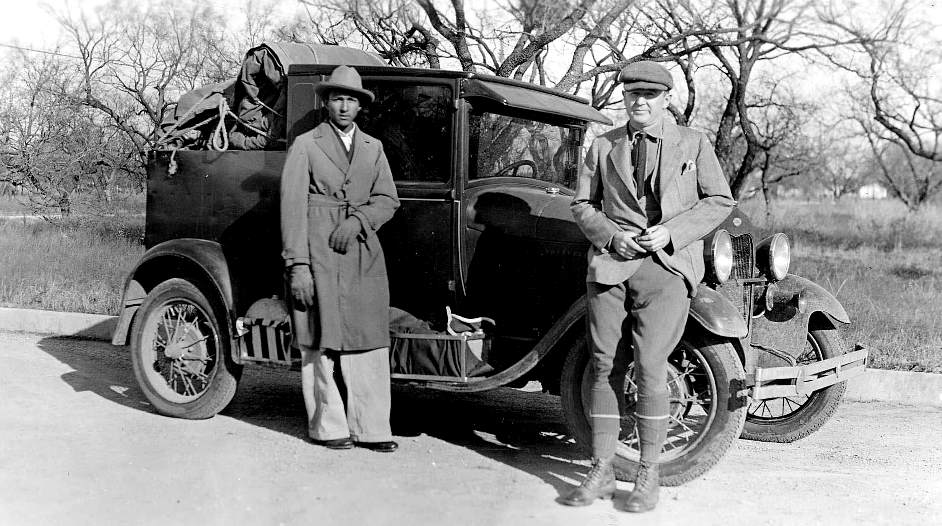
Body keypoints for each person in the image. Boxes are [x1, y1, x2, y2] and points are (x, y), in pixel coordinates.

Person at [563, 61, 735, 511]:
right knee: (603, 365)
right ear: (624, 98)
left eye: (650, 95)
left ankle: (647, 474)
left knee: (652, 365)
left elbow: (720, 200)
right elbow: (582, 204)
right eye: (632, 95)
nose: (639, 102)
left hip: (666, 268)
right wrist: (610, 235)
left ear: (665, 99)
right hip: (611, 266)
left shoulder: (693, 142)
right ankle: (600, 470)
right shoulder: (603, 145)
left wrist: (673, 232)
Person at [280, 65, 400, 453]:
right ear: (326, 102)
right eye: (337, 98)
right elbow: (292, 207)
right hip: (317, 250)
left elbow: (387, 199)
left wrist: (360, 220)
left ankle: (371, 427)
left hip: (362, 250)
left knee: (368, 338)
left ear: (361, 106)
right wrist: (297, 265)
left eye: (351, 99)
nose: (344, 106)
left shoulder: (373, 148)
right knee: (320, 338)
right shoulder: (306, 144)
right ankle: (328, 426)